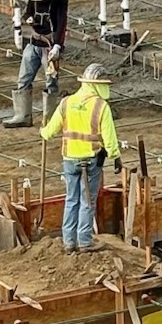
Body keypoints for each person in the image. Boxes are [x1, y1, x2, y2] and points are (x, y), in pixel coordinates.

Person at [40, 63, 121, 253]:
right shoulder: (101, 106)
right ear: (96, 85)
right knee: (87, 201)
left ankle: (69, 241)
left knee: (71, 199)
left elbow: (50, 132)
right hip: (91, 161)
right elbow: (109, 139)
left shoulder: (66, 103)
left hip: (70, 159)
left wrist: (43, 131)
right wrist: (116, 157)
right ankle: (84, 241)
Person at [5, 0, 69, 129]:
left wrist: (57, 46)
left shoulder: (60, 0)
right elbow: (28, 13)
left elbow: (61, 24)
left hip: (49, 46)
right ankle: (22, 115)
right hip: (33, 43)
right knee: (24, 78)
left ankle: (50, 118)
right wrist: (28, 18)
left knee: (51, 81)